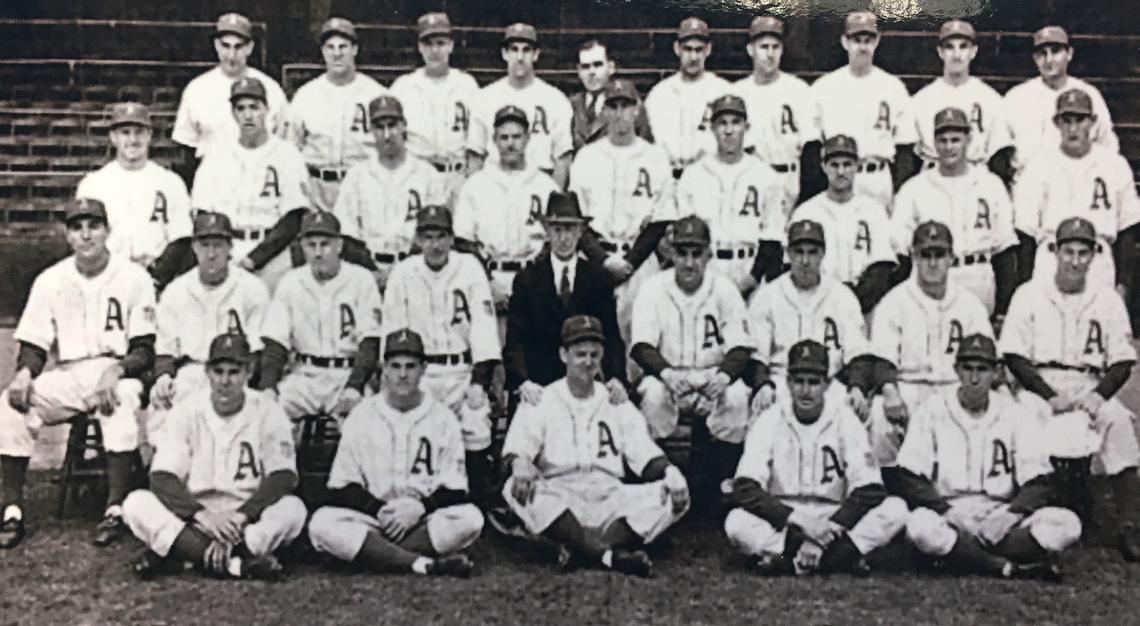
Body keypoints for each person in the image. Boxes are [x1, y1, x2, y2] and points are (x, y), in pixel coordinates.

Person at [0, 198, 156, 549]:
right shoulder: (50, 280)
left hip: (117, 369)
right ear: (68, 236)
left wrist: (116, 370)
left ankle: (115, 507)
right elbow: (34, 342)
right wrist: (24, 373)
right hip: (70, 372)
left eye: (93, 226)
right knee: (10, 404)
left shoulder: (134, 277)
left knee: (120, 399)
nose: (86, 235)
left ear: (107, 231)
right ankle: (12, 508)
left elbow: (145, 348)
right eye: (77, 227)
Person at [501, 315, 690, 577]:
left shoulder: (615, 400)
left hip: (610, 497)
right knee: (514, 488)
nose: (588, 362)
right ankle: (610, 555)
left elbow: (644, 455)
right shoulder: (542, 398)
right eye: (580, 354)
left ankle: (580, 549)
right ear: (563, 355)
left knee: (674, 494)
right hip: (561, 498)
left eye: (594, 354)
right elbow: (516, 450)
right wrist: (520, 462)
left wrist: (671, 473)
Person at [1000, 217, 1140, 561]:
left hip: (1089, 382)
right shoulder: (1030, 293)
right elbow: (1015, 356)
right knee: (1023, 419)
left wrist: (1098, 395)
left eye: (1083, 252)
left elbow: (1123, 361)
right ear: (1054, 252)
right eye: (1068, 252)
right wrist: (1048, 394)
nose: (1075, 261)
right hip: (1040, 384)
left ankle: (1129, 526)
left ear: (1094, 255)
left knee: (1118, 421)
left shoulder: (1106, 299)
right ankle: (1024, 512)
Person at [896, 334, 1079, 582]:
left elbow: (1039, 481)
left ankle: (959, 556)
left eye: (982, 369)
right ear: (956, 370)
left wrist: (1009, 517)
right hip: (950, 511)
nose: (974, 378)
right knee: (919, 527)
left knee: (1068, 524)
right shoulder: (932, 410)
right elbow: (910, 476)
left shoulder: (1014, 413)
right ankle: (1004, 566)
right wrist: (950, 514)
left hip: (1000, 512)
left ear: (995, 373)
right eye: (967, 368)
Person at [123, 332, 305, 580]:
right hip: (195, 515)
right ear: (207, 373)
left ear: (249, 372)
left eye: (234, 372)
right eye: (218, 371)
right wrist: (203, 516)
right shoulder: (186, 411)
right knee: (135, 504)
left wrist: (242, 516)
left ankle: (183, 553)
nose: (225, 381)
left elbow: (283, 476)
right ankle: (238, 563)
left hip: (246, 516)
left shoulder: (268, 410)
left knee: (293, 509)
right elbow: (162, 477)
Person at [306, 329, 483, 578]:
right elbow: (341, 486)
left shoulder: (443, 418)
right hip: (372, 519)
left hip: (422, 519)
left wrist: (419, 507)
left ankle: (374, 555)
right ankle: (422, 563)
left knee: (471, 519)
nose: (402, 374)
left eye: (410, 366)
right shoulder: (361, 415)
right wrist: (378, 510)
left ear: (423, 368)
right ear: (384, 369)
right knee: (321, 523)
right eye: (395, 366)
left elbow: (455, 487)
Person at [724, 339, 907, 576]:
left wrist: (825, 532)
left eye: (813, 382)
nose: (805, 390)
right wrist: (799, 521)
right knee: (736, 522)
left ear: (827, 384)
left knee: (896, 509)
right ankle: (841, 558)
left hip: (834, 518)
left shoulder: (845, 419)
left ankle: (789, 559)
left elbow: (870, 488)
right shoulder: (770, 419)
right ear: (788, 383)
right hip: (786, 517)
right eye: (799, 381)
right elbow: (745, 487)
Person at [631, 215, 754, 503]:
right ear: (670, 252)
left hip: (712, 373)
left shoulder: (724, 288)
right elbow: (641, 346)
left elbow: (740, 347)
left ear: (709, 254)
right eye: (682, 252)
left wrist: (723, 376)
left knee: (736, 396)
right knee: (652, 396)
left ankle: (723, 481)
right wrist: (667, 374)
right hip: (668, 374)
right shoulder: (652, 288)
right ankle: (659, 481)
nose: (689, 262)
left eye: (696, 253)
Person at [382, 206, 500, 502]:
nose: (435, 244)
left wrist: (479, 382)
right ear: (418, 240)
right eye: (427, 236)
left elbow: (484, 330)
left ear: (451, 238)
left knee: (476, 416)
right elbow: (393, 334)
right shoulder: (404, 272)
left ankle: (478, 501)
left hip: (461, 370)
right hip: (420, 373)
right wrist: (404, 381)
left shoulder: (470, 267)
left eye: (441, 236)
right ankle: (423, 498)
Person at [866, 221, 993, 467]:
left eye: (939, 255)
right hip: (910, 390)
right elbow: (882, 362)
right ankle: (886, 486)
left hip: (955, 388)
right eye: (925, 255)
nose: (932, 263)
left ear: (951, 258)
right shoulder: (895, 302)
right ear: (914, 256)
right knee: (880, 413)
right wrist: (891, 393)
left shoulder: (969, 304)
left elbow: (987, 358)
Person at [568, 79, 675, 350]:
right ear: (604, 111)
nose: (619, 113)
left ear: (637, 109)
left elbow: (662, 218)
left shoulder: (654, 156)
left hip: (640, 261)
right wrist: (603, 260)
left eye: (625, 106)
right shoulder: (587, 156)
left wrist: (630, 262)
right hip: (596, 261)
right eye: (613, 106)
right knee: (594, 339)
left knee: (642, 339)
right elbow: (576, 219)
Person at [149, 212, 270, 442]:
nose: (211, 254)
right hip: (192, 370)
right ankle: (163, 472)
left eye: (218, 245)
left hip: (236, 374)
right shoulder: (176, 291)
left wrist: (241, 379)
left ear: (230, 247)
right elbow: (165, 346)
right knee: (162, 402)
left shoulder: (252, 289)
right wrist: (164, 375)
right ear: (194, 247)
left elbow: (257, 349)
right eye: (205, 245)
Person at [891, 107, 1019, 320]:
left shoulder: (990, 184)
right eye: (942, 140)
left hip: (978, 274)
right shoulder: (915, 188)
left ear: (968, 139)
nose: (949, 147)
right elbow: (902, 252)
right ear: (934, 142)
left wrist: (1004, 305)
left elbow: (1004, 249)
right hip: (930, 278)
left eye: (955, 140)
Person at [258, 212, 382, 426]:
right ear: (302, 247)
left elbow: (370, 342)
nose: (317, 252)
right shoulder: (291, 282)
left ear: (339, 245)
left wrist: (355, 386)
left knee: (366, 423)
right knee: (265, 416)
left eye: (324, 244)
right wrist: (268, 387)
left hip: (345, 375)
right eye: (311, 245)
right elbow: (275, 343)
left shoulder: (362, 280)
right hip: (303, 377)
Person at [1012, 89, 1140, 292]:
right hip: (1051, 257)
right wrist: (1026, 286)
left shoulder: (1114, 164)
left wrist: (1124, 283)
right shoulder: (1039, 164)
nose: (1073, 128)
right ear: (1056, 123)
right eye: (1066, 120)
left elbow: (1127, 230)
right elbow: (1025, 233)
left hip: (1098, 259)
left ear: (1092, 121)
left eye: (1079, 120)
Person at [190, 76, 311, 290]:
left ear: (266, 110)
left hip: (274, 258)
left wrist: (254, 259)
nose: (248, 115)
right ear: (233, 113)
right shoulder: (217, 155)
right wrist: (220, 254)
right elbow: (202, 213)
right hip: (226, 252)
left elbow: (293, 219)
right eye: (241, 108)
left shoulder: (287, 154)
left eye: (254, 107)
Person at [747, 220, 876, 420]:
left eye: (812, 252)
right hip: (781, 382)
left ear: (823, 254)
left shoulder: (842, 296)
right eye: (798, 252)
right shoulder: (768, 296)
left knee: (852, 407)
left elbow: (858, 354)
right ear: (788, 254)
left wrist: (857, 387)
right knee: (763, 406)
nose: (805, 261)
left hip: (829, 383)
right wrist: (763, 384)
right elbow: (757, 356)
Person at [504, 191, 626, 400]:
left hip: (585, 382)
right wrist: (523, 382)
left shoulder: (598, 278)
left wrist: (616, 377)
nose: (563, 238)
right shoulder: (528, 279)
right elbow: (515, 340)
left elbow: (612, 337)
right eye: (557, 229)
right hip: (539, 386)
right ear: (547, 232)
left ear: (580, 232)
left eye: (570, 229)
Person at [332, 95, 448, 289]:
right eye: (379, 127)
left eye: (392, 125)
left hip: (418, 272)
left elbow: (437, 232)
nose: (387, 134)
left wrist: (401, 271)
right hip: (368, 273)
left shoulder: (427, 174)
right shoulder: (357, 175)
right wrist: (374, 273)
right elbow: (346, 233)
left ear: (404, 126)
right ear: (371, 131)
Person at [675, 93, 786, 292]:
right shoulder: (693, 175)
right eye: (722, 123)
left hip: (749, 267)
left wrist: (751, 279)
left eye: (736, 122)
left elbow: (772, 238)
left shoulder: (766, 176)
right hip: (707, 268)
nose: (729, 130)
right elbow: (684, 235)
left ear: (746, 126)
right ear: (712, 128)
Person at [453, 105, 559, 309]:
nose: (510, 144)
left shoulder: (545, 185)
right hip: (490, 279)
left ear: (528, 138)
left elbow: (553, 242)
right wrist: (487, 283)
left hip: (535, 280)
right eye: (504, 137)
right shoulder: (476, 184)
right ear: (494, 140)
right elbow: (464, 242)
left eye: (516, 137)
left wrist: (534, 280)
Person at [809, 11, 916, 206]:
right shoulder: (824, 87)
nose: (863, 46)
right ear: (844, 42)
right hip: (838, 175)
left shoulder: (893, 87)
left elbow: (905, 146)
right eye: (857, 40)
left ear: (876, 42)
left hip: (877, 176)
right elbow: (813, 144)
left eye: (868, 40)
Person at [287, 17, 388, 212]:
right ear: (323, 51)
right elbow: (292, 150)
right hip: (317, 187)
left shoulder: (375, 94)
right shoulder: (306, 95)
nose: (337, 54)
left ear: (355, 50)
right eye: (330, 47)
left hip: (361, 186)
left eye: (343, 47)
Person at [76, 102, 192, 270]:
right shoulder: (93, 184)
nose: (133, 140)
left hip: (156, 272)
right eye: (125, 133)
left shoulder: (170, 182)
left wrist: (158, 275)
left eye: (139, 132)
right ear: (113, 137)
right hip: (108, 273)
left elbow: (181, 237)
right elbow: (85, 239)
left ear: (149, 135)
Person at [172, 12, 288, 179]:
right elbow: (187, 150)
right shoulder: (197, 89)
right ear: (216, 45)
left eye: (238, 47)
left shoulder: (271, 89)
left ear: (250, 48)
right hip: (213, 181)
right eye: (226, 46)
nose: (232, 56)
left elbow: (283, 146)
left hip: (258, 181)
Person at [790, 134, 894, 312]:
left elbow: (882, 266)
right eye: (834, 165)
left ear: (857, 166)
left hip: (864, 305)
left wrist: (855, 302)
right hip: (816, 303)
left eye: (847, 165)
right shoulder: (806, 212)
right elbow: (794, 266)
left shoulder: (873, 211)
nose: (840, 172)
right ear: (823, 166)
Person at [466, 23, 573, 186]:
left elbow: (562, 159)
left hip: (539, 182)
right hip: (495, 182)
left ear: (536, 54)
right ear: (504, 53)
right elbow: (475, 156)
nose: (520, 57)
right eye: (514, 49)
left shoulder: (555, 100)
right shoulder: (484, 98)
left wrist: (552, 200)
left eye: (526, 50)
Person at [1004, 25, 1119, 177]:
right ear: (1035, 58)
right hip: (1028, 182)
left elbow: (1107, 145)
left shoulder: (1088, 94)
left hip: (1076, 180)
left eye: (1056, 51)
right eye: (1042, 54)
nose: (1049, 59)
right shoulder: (1017, 97)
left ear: (1069, 54)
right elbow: (1002, 149)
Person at [909, 19, 1014, 183]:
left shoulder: (990, 99)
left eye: (963, 46)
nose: (957, 54)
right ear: (940, 52)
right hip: (932, 177)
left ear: (973, 51)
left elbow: (999, 154)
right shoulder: (922, 100)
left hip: (976, 176)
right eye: (949, 47)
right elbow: (909, 156)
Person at [731, 15, 817, 207]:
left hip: (788, 178)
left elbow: (811, 149)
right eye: (764, 47)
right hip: (749, 179)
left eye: (775, 47)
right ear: (750, 49)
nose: (770, 54)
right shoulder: (737, 92)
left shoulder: (799, 90)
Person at [390, 12, 480, 190]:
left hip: (457, 175)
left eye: (440, 43)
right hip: (416, 175)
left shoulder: (467, 85)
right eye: (428, 44)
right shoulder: (403, 87)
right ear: (419, 47)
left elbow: (477, 140)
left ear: (451, 46)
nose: (435, 51)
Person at [644, 16, 731, 178]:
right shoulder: (660, 94)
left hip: (711, 178)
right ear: (677, 48)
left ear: (708, 50)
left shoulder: (722, 91)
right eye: (687, 49)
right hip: (668, 178)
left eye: (698, 49)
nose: (693, 57)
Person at [569, 39, 651, 151]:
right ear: (578, 71)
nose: (591, 72)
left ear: (611, 67)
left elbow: (644, 144)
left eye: (598, 65)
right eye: (585, 67)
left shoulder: (627, 101)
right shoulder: (571, 105)